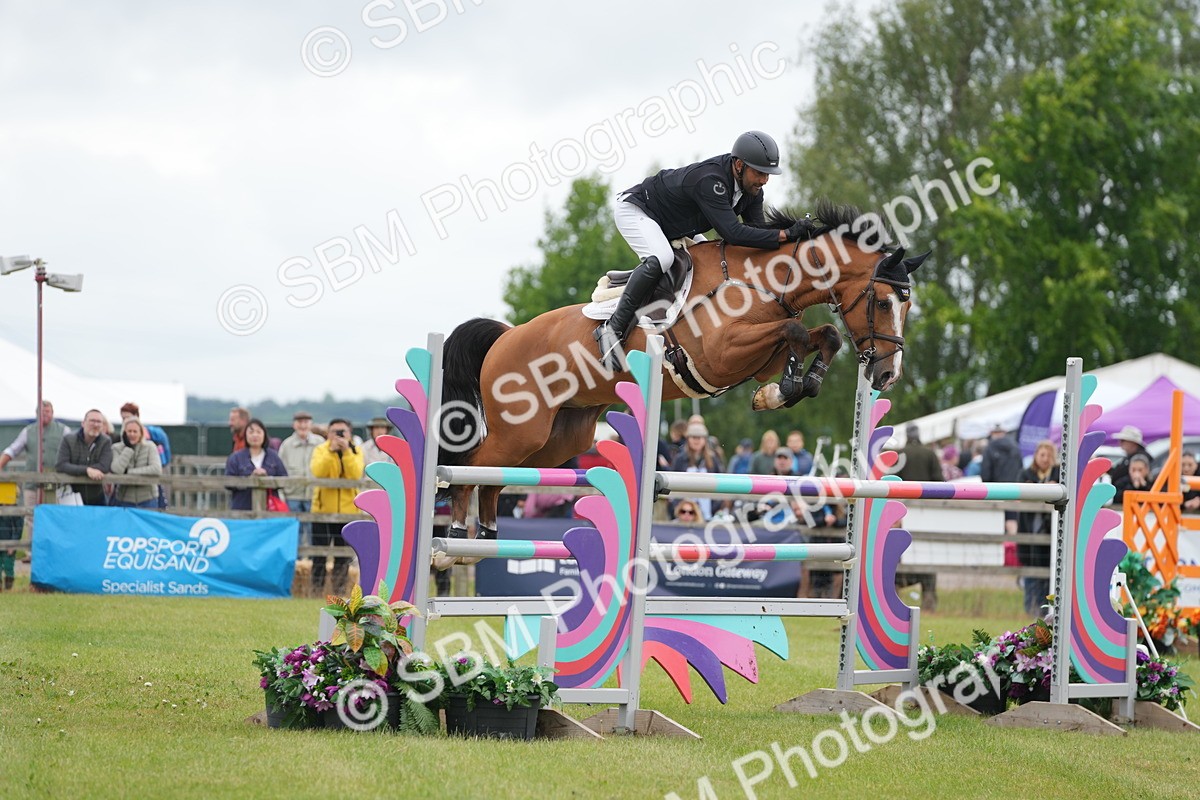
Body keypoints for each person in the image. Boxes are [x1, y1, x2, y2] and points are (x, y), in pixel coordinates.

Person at [594, 131, 808, 369]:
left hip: (676, 225)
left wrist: (793, 235)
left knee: (709, 262)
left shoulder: (752, 192)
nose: (764, 180)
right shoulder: (711, 181)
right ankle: (612, 329)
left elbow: (757, 235)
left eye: (767, 174)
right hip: (638, 210)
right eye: (759, 173)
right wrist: (786, 233)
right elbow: (733, 234)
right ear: (739, 165)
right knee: (662, 258)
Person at [310, 418, 365, 595]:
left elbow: (355, 474)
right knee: (319, 554)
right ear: (328, 433)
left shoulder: (356, 451)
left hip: (348, 512)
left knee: (343, 556)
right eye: (335, 432)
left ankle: (339, 591)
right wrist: (332, 451)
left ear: (350, 434)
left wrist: (346, 451)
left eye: (343, 432)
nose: (339, 435)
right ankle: (316, 590)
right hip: (323, 511)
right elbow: (318, 471)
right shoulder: (321, 449)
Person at [1017, 440, 1060, 616]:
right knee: (1030, 575)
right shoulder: (1026, 474)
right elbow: (1019, 497)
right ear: (1036, 456)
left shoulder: (1059, 474)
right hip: (1030, 527)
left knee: (1049, 574)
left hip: (1051, 530)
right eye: (1042, 455)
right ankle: (1029, 611)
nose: (1045, 459)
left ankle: (1046, 613)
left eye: (1049, 455)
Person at [0, 400, 70, 506]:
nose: (45, 414)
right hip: (32, 484)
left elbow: (73, 452)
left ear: (52, 413)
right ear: (37, 414)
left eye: (47, 411)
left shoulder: (64, 430)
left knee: (53, 515)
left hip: (56, 484)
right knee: (30, 516)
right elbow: (12, 451)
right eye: (42, 411)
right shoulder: (28, 431)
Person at [278, 411, 325, 546]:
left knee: (313, 531)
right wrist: (282, 493)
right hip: (292, 495)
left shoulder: (320, 443)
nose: (303, 425)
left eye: (306, 422)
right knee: (294, 531)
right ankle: (296, 561)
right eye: (300, 422)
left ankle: (311, 562)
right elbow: (281, 471)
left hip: (314, 495)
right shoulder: (286, 445)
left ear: (311, 424)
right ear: (294, 425)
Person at [224, 419, 287, 511]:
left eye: (258, 432)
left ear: (264, 435)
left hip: (270, 509)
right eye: (251, 432)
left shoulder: (273, 456)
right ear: (246, 435)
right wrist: (248, 480)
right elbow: (228, 483)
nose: (255, 435)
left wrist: (268, 478)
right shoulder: (236, 458)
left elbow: (284, 479)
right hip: (242, 508)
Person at [119, 402, 172, 508]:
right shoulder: (123, 437)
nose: (125, 421)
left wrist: (129, 472)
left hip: (152, 477)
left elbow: (162, 458)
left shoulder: (150, 436)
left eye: (127, 417)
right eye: (123, 418)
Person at [56, 409, 113, 506]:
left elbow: (104, 466)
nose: (95, 424)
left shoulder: (106, 441)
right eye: (92, 421)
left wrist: (78, 469)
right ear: (83, 423)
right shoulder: (68, 439)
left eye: (99, 422)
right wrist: (86, 470)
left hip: (97, 496)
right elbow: (61, 465)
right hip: (71, 496)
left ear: (103, 425)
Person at [669, 422, 724, 520]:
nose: (696, 440)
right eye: (693, 437)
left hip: (708, 514)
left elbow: (721, 484)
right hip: (685, 514)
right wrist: (679, 508)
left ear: (705, 440)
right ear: (688, 439)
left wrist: (714, 508)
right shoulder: (680, 459)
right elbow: (672, 486)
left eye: (700, 437)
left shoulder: (713, 459)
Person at [109, 418, 163, 508]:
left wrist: (129, 472)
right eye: (129, 431)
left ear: (140, 433)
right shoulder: (116, 448)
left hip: (147, 498)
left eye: (135, 431)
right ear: (124, 432)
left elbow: (156, 469)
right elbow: (117, 470)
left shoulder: (150, 446)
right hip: (124, 499)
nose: (132, 434)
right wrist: (128, 449)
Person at [980, 423, 1023, 533]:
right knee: (1012, 518)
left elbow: (985, 474)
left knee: (996, 521)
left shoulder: (989, 448)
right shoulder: (1015, 447)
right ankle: (1012, 546)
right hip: (1014, 490)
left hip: (995, 491)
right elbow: (1021, 469)